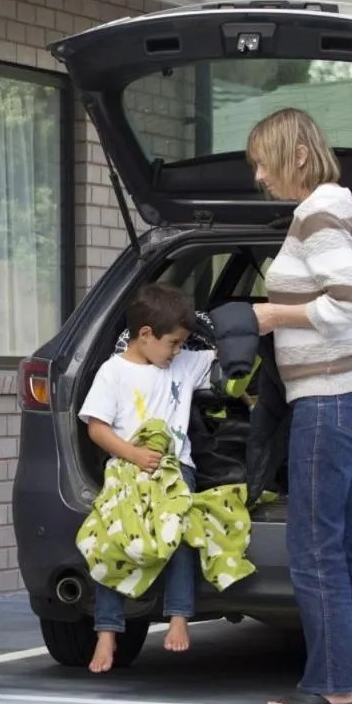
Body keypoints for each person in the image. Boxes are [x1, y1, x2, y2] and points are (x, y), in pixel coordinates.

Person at [247, 108, 352, 704]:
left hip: (331, 396)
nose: (260, 175)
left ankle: (332, 683)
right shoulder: (334, 208)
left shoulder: (319, 212)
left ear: (300, 157)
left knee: (314, 544)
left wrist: (271, 315)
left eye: (265, 160)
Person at [78, 283, 215, 672]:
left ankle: (178, 617)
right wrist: (134, 455)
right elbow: (97, 429)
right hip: (127, 469)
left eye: (182, 344)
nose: (177, 352)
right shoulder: (113, 372)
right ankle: (106, 632)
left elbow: (230, 347)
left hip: (175, 471)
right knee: (111, 542)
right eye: (172, 343)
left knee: (179, 534)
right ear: (144, 335)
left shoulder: (183, 364)